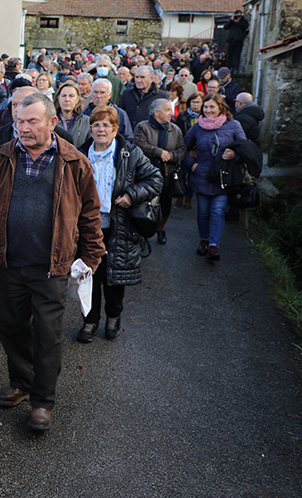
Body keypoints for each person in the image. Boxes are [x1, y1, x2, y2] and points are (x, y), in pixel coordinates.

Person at [0, 93, 105, 431]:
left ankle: (42, 402)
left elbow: (90, 213)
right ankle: (22, 382)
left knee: (48, 334)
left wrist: (92, 256)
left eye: (32, 121)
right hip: (9, 261)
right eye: (20, 121)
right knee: (11, 327)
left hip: (52, 265)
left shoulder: (73, 161)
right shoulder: (2, 157)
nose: (23, 128)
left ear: (52, 123)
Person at [77, 106, 162, 342]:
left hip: (119, 225)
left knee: (114, 276)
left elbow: (155, 178)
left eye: (106, 125)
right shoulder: (80, 153)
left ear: (115, 129)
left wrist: (131, 195)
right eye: (96, 124)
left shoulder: (129, 153)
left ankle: (113, 317)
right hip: (87, 226)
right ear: (90, 128)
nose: (100, 129)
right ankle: (89, 321)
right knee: (89, 275)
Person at [183, 94, 247, 262]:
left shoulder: (233, 125)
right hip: (202, 174)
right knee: (203, 212)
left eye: (212, 107)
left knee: (217, 211)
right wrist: (191, 164)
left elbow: (245, 150)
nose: (208, 110)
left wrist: (234, 155)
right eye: (206, 107)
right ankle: (203, 241)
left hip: (223, 176)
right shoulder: (197, 127)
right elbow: (183, 148)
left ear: (221, 107)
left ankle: (213, 245)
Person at [135, 98, 187, 244]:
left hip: (167, 175)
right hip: (146, 175)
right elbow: (139, 145)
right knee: (145, 206)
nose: (170, 113)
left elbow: (182, 150)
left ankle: (160, 228)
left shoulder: (175, 129)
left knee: (165, 205)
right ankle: (142, 234)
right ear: (156, 112)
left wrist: (171, 155)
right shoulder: (143, 127)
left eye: (170, 110)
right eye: (167, 110)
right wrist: (159, 152)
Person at [55, 82, 90, 147]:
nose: (67, 99)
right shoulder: (51, 122)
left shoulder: (87, 122)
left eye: (71, 96)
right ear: (58, 98)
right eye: (63, 96)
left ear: (77, 99)